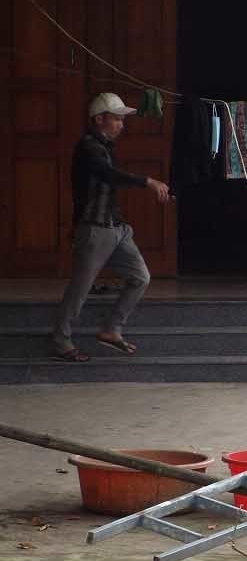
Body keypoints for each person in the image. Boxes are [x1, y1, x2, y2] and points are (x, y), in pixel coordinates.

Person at [51, 92, 171, 362]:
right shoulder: (89, 147)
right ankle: (61, 340)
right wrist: (148, 182)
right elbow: (107, 174)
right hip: (94, 229)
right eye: (116, 119)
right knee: (80, 288)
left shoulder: (105, 147)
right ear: (99, 119)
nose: (121, 124)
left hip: (116, 227)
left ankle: (111, 328)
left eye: (121, 119)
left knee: (141, 277)